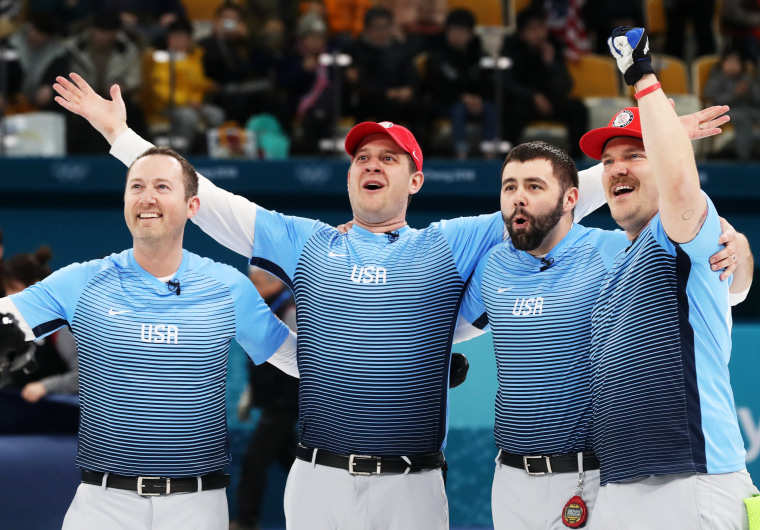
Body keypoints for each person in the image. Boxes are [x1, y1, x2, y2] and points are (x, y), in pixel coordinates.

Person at [51, 71, 735, 529]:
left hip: (413, 485)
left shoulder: (450, 245)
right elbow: (210, 207)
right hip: (316, 480)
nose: (371, 164)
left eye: (388, 157)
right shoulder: (308, 242)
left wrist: (657, 145)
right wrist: (121, 137)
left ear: (415, 179)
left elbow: (554, 198)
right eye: (361, 157)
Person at [453, 138, 752, 529]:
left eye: (534, 187)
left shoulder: (616, 250)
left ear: (571, 198)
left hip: (592, 477)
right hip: (509, 478)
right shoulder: (493, 266)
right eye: (510, 187)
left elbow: (720, 287)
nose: (518, 198)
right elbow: (437, 325)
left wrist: (740, 249)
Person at [0, 146, 297, 530]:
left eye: (162, 186)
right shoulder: (83, 281)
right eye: (136, 186)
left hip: (197, 507)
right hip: (103, 505)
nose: (147, 197)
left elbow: (298, 360)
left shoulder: (228, 287)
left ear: (193, 206)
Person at [579, 27, 756, 528]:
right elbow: (546, 209)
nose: (616, 170)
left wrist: (641, 76)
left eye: (634, 155)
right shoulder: (616, 261)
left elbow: (679, 182)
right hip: (619, 486)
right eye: (607, 161)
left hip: (693, 482)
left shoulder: (676, 232)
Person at [236, 267, 299, 530]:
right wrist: (250, 395)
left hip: (286, 400)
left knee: (255, 459)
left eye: (254, 280)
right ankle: (336, 512)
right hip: (272, 398)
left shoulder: (290, 310)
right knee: (294, 462)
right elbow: (260, 356)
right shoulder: (264, 307)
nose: (251, 284)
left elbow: (303, 360)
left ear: (268, 282)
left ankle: (245, 523)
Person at [500, 8, 588, 158]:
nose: (538, 34)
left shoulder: (553, 48)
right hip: (524, 102)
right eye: (532, 29)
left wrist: (551, 64)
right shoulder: (511, 49)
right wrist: (533, 96)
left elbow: (565, 86)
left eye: (541, 28)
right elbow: (506, 83)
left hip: (551, 102)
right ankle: (508, 159)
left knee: (578, 108)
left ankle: (576, 159)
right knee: (509, 111)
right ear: (521, 33)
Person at [1, 247, 78, 402]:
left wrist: (45, 387)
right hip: (17, 419)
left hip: (60, 419)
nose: (9, 295)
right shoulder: (9, 326)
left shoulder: (62, 327)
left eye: (14, 289)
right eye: (7, 289)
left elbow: (90, 376)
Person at [703, 48, 760, 161]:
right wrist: (735, 93)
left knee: (747, 115)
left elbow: (757, 99)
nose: (732, 65)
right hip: (725, 112)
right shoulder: (716, 78)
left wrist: (749, 92)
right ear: (722, 63)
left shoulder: (746, 78)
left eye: (736, 62)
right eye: (729, 62)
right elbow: (713, 100)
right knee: (744, 119)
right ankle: (744, 159)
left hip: (748, 110)